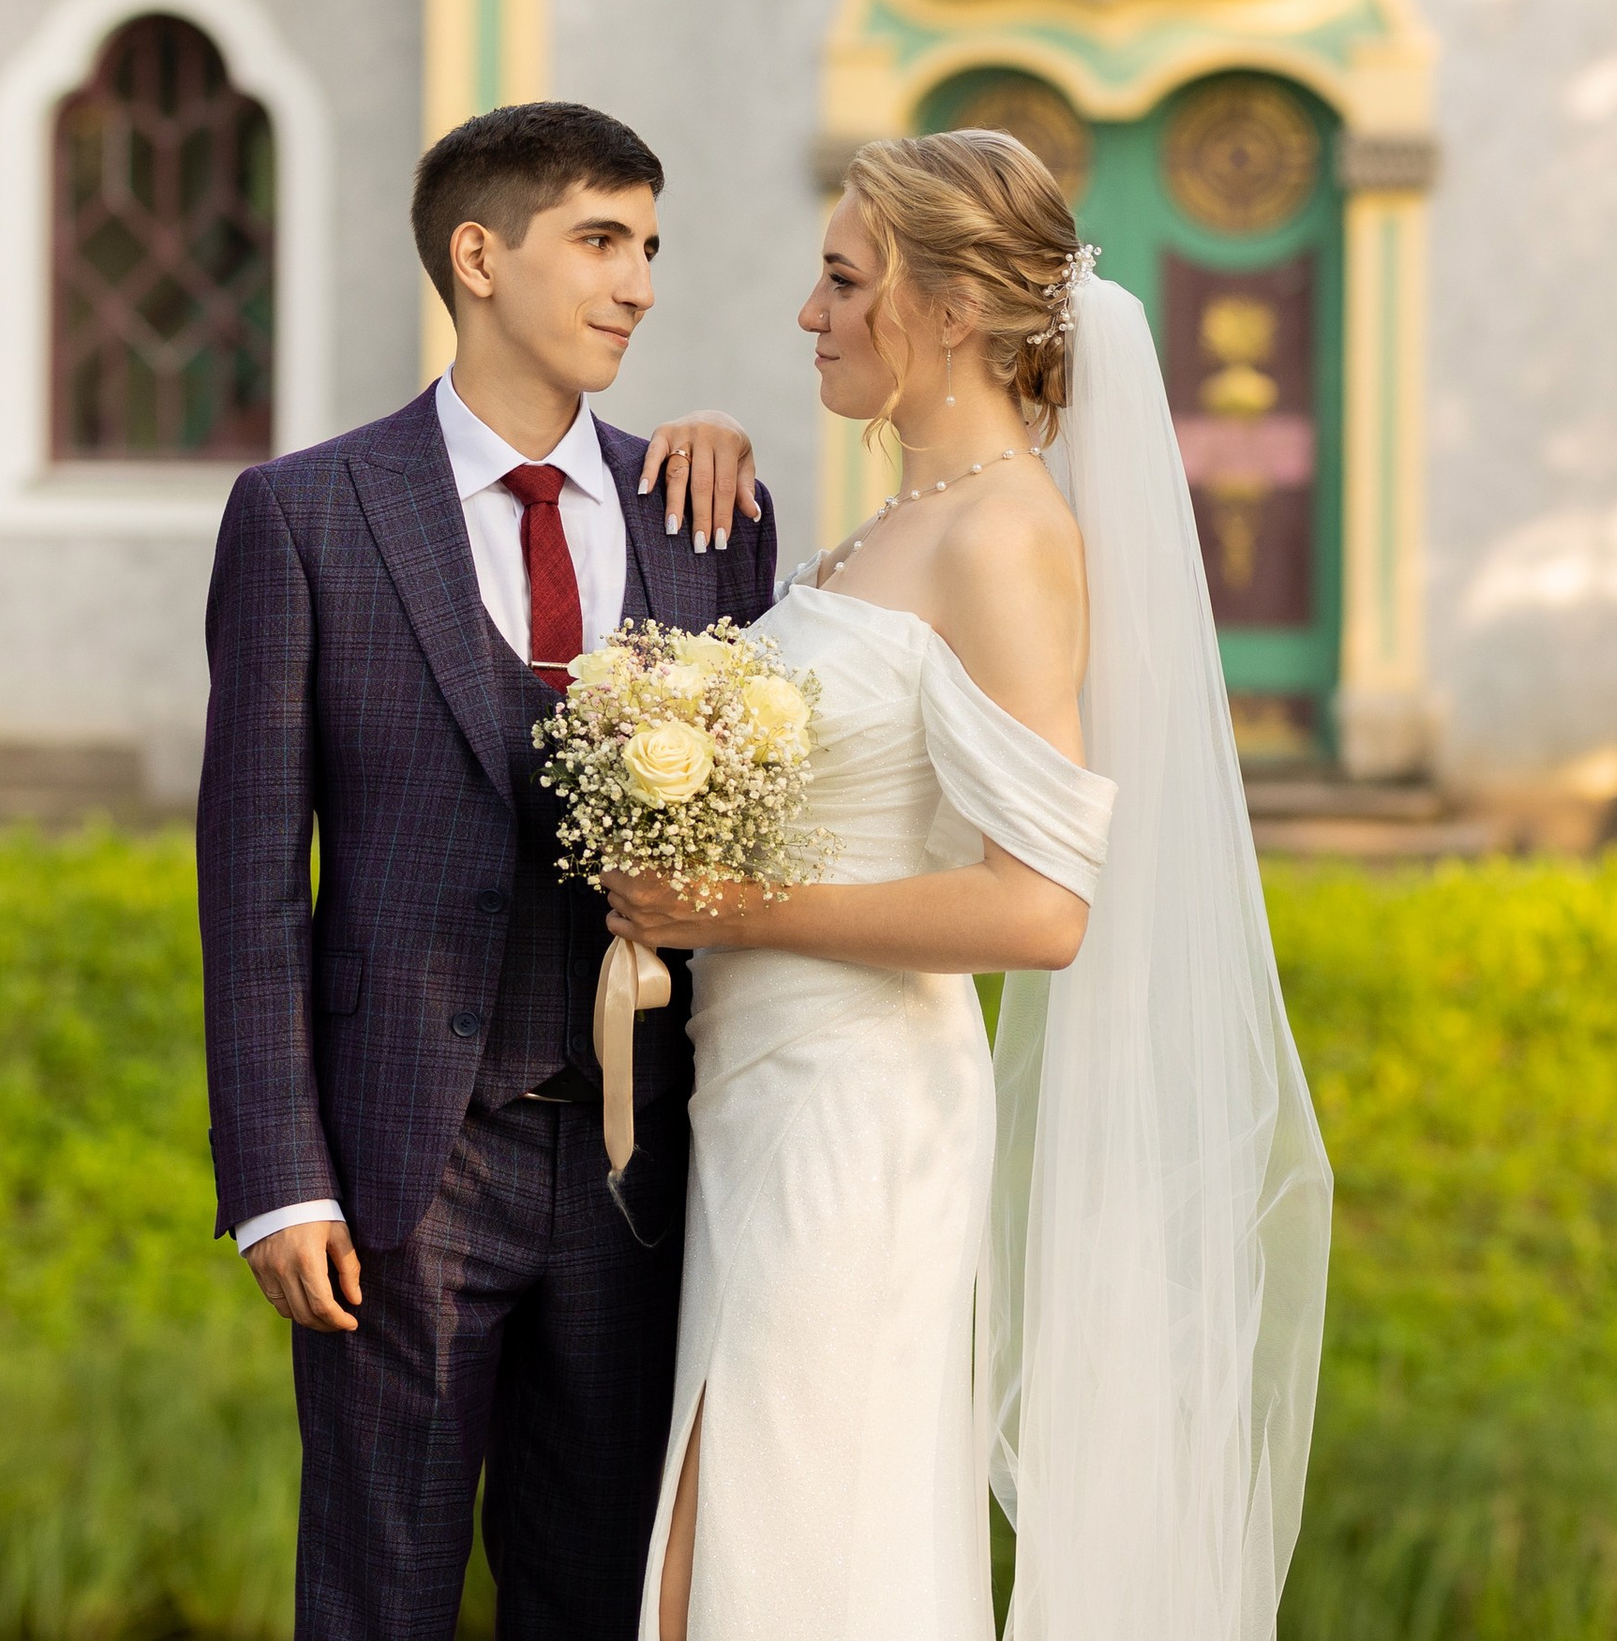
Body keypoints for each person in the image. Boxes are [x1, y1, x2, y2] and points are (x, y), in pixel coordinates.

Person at [604, 129, 1333, 1641]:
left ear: (944, 308)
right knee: (711, 1554)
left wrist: (731, 913)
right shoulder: (888, 530)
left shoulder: (1007, 537)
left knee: (765, 1559)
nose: (810, 310)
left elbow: (1039, 911)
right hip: (759, 1103)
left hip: (862, 1127)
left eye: (843, 277)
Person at [196, 100, 776, 1641]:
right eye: (599, 240)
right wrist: (276, 1180)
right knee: (376, 1599)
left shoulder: (707, 518)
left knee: (595, 1597)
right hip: (399, 1168)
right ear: (478, 257)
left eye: (650, 246)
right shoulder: (306, 516)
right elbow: (252, 878)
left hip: (642, 1166)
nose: (639, 282)